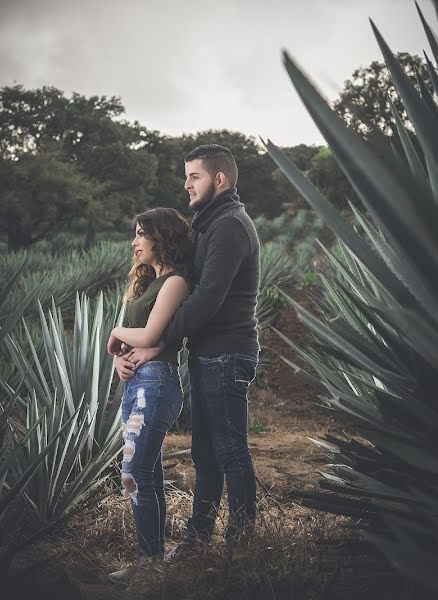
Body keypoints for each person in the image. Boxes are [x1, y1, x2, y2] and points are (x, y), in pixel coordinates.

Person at [111, 144, 261, 558]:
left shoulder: (229, 225)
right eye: (185, 176)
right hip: (209, 353)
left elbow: (207, 299)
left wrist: (154, 342)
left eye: (194, 176)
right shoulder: (211, 224)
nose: (186, 184)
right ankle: (197, 540)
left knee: (229, 448)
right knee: (205, 451)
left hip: (227, 352)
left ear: (220, 180)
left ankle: (240, 544)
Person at [105, 207, 194, 583]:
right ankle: (152, 563)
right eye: (136, 234)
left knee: (133, 472)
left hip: (156, 384)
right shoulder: (146, 283)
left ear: (162, 238)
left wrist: (114, 333)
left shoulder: (174, 282)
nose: (135, 241)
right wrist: (118, 362)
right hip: (137, 383)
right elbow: (134, 344)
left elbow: (149, 336)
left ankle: (148, 563)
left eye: (142, 234)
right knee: (147, 473)